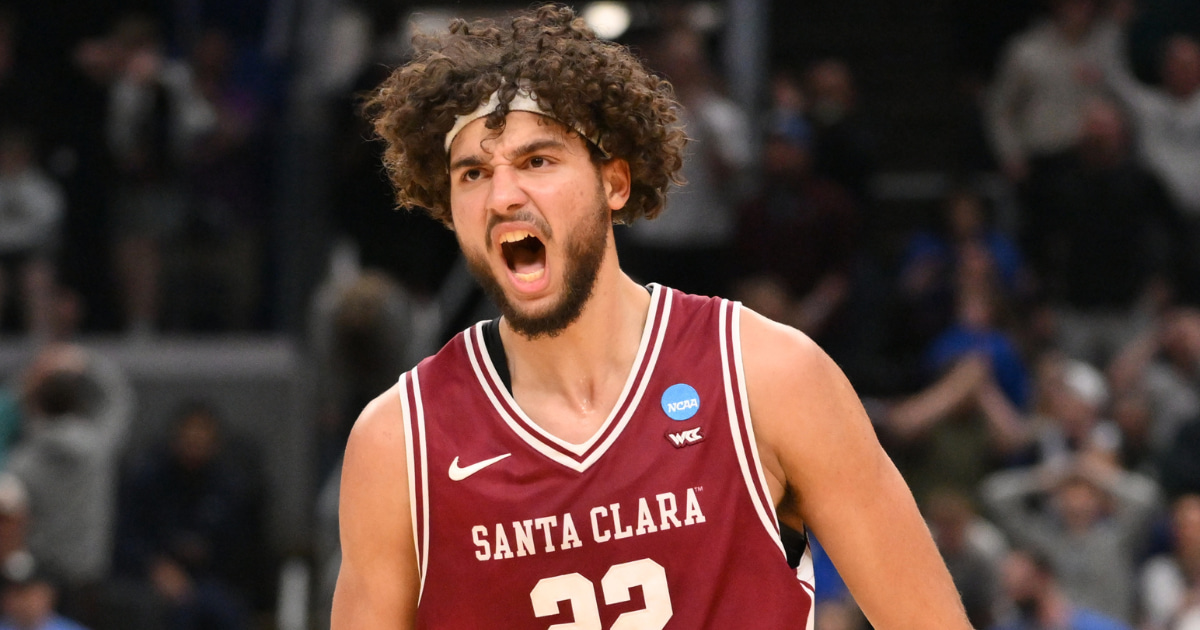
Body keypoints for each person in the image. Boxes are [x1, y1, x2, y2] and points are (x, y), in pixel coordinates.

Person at [332, 5, 972, 629]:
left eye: (537, 161)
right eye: (473, 173)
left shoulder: (767, 376)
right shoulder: (398, 444)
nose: (503, 196)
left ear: (614, 182)